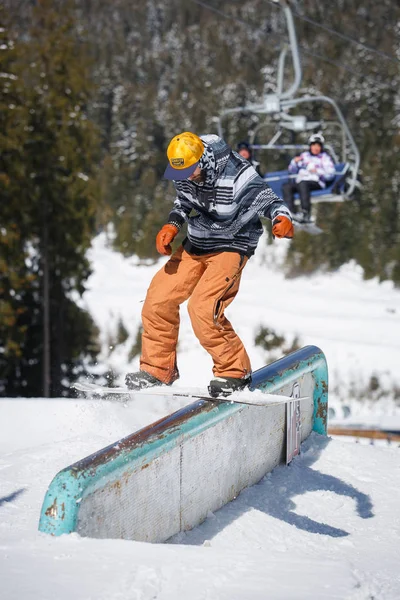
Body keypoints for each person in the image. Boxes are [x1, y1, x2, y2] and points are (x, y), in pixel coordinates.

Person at [125, 132, 294, 397]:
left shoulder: (237, 173)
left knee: (203, 308)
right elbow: (183, 201)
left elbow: (269, 200)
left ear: (202, 160)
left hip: (232, 244)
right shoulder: (183, 171)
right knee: (158, 299)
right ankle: (157, 370)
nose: (187, 177)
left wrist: (280, 219)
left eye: (192, 171)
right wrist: (172, 224)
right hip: (197, 243)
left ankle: (234, 372)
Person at [282, 132, 335, 222]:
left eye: (318, 146)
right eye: (313, 145)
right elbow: (292, 171)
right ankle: (291, 213)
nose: (316, 148)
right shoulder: (304, 156)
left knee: (303, 184)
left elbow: (331, 173)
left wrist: (318, 171)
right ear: (310, 146)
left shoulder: (324, 158)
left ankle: (305, 213)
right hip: (301, 181)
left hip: (316, 181)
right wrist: (294, 162)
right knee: (286, 187)